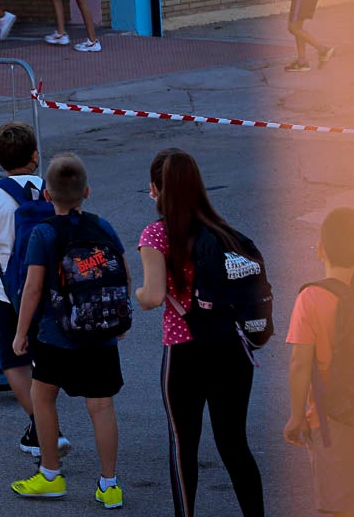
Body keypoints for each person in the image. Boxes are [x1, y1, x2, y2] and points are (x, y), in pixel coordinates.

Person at [136, 149, 265, 517]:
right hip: (231, 349)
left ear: (156, 190)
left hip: (185, 350)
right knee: (234, 444)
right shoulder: (224, 232)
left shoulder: (157, 234)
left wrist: (139, 295)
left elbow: (154, 295)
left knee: (183, 445)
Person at [9, 153, 125, 505]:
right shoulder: (103, 227)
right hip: (101, 331)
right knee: (101, 407)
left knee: (42, 398)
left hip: (56, 333)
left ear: (47, 195)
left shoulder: (43, 233)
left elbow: (32, 289)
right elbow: (122, 274)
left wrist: (19, 332)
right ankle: (110, 486)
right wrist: (118, 320)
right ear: (87, 191)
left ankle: (50, 475)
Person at [0, 122, 73, 459]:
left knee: (14, 361)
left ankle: (45, 426)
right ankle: (40, 427)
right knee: (45, 361)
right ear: (35, 156)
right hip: (52, 291)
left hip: (7, 294)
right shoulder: (51, 187)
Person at [284, 207, 354, 517]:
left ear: (320, 250)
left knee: (343, 508)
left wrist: (296, 417)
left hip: (332, 421)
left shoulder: (310, 299)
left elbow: (300, 364)